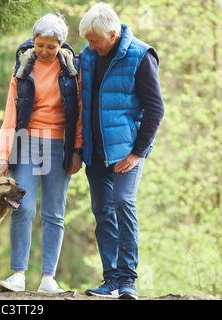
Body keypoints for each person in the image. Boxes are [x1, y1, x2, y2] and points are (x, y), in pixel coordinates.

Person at [0, 13, 83, 293]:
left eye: (50, 47)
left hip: (59, 146)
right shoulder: (23, 68)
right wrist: (3, 154)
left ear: (61, 45)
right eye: (40, 45)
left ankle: (48, 278)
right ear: (34, 42)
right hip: (26, 143)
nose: (44, 51)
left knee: (54, 212)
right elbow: (10, 115)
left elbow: (77, 115)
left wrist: (77, 149)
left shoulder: (71, 72)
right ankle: (17, 274)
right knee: (22, 206)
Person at [78, 3, 165, 299]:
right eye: (87, 40)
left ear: (112, 34)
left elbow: (155, 109)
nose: (89, 45)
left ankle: (128, 280)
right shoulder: (89, 55)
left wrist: (138, 153)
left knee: (122, 202)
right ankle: (111, 279)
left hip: (126, 152)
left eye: (94, 40)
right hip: (95, 152)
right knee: (102, 212)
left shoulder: (141, 56)